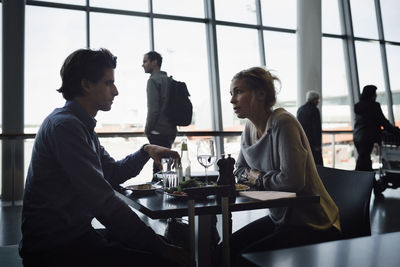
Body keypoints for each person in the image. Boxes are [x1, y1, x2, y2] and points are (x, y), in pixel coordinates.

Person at [19, 48, 188, 267]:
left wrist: (146, 150)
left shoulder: (80, 125)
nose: (115, 91)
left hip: (74, 237)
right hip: (54, 249)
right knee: (165, 257)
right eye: (108, 83)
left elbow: (112, 172)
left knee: (160, 244)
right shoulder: (66, 127)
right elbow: (103, 201)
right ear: (86, 85)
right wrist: (161, 249)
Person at [227, 67, 341, 265]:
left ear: (261, 94)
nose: (232, 100)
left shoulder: (283, 123)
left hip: (312, 222)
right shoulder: (249, 127)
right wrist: (262, 177)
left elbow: (292, 181)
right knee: (227, 249)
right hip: (282, 219)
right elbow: (238, 170)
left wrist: (258, 178)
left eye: (238, 92)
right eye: (231, 93)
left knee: (243, 259)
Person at [142, 51, 177, 175]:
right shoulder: (169, 80)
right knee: (165, 166)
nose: (143, 65)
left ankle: (160, 193)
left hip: (158, 130)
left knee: (158, 169)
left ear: (155, 62)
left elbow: (153, 109)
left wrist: (147, 129)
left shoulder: (153, 81)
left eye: (145, 61)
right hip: (171, 129)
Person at [354, 85, 399, 171]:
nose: (376, 95)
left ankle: (363, 178)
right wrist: (396, 131)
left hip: (357, 137)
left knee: (363, 158)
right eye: (374, 93)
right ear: (371, 94)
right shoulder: (374, 106)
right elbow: (383, 122)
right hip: (367, 137)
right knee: (364, 159)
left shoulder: (358, 106)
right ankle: (366, 179)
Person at [297, 90, 323, 165]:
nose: (318, 101)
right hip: (312, 143)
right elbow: (316, 128)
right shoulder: (315, 110)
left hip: (302, 141)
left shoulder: (300, 109)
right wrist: (317, 145)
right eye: (317, 99)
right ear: (314, 99)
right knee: (316, 164)